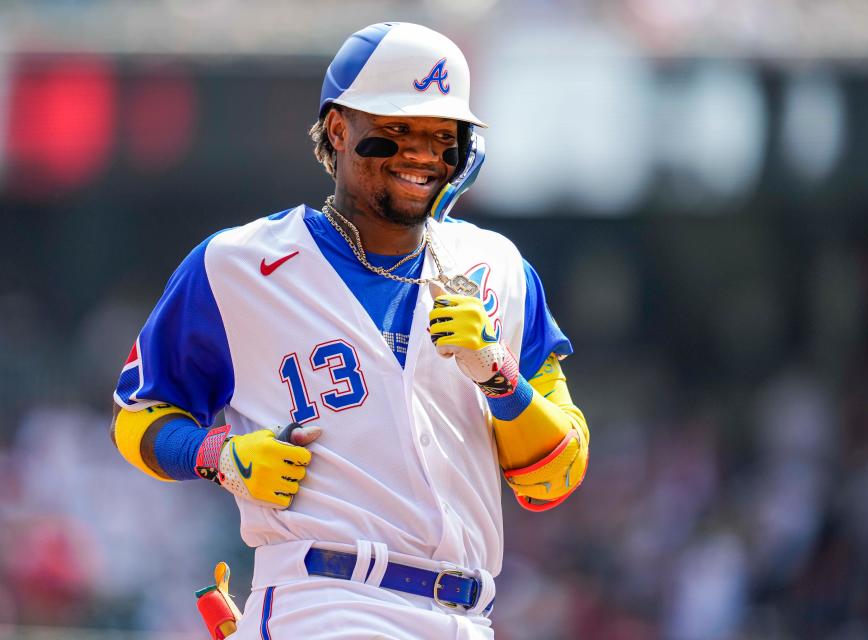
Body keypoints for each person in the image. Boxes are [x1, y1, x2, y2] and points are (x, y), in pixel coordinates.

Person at [110, 22, 589, 640]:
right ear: (339, 129)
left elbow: (553, 477)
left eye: (443, 136)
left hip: (468, 615)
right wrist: (217, 456)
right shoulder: (239, 265)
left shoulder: (498, 268)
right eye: (396, 132)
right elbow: (137, 415)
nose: (422, 154)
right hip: (326, 601)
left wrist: (500, 376)